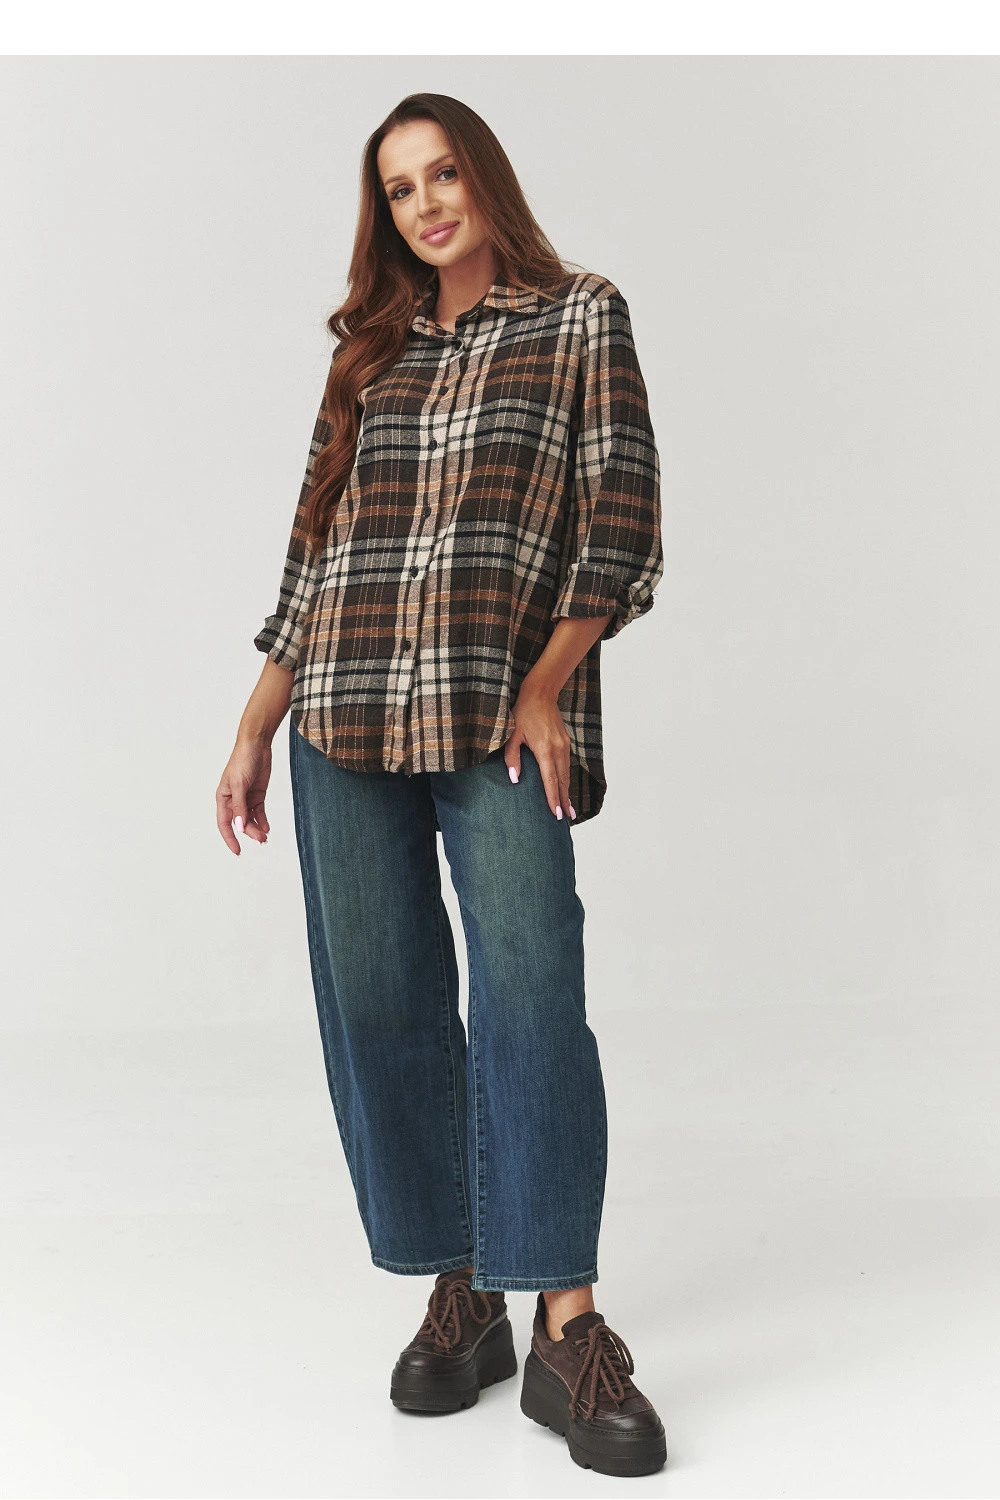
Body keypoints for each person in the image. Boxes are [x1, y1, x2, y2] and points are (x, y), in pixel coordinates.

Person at [215, 91, 666, 1479]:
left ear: (486, 177)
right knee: (384, 1000)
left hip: (496, 717)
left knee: (531, 992)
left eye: (444, 173)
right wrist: (255, 722)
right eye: (400, 188)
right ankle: (464, 1291)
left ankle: (567, 1323)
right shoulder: (369, 353)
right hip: (341, 713)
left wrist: (546, 684)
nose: (426, 204)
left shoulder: (579, 317)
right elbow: (314, 552)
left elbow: (623, 523)